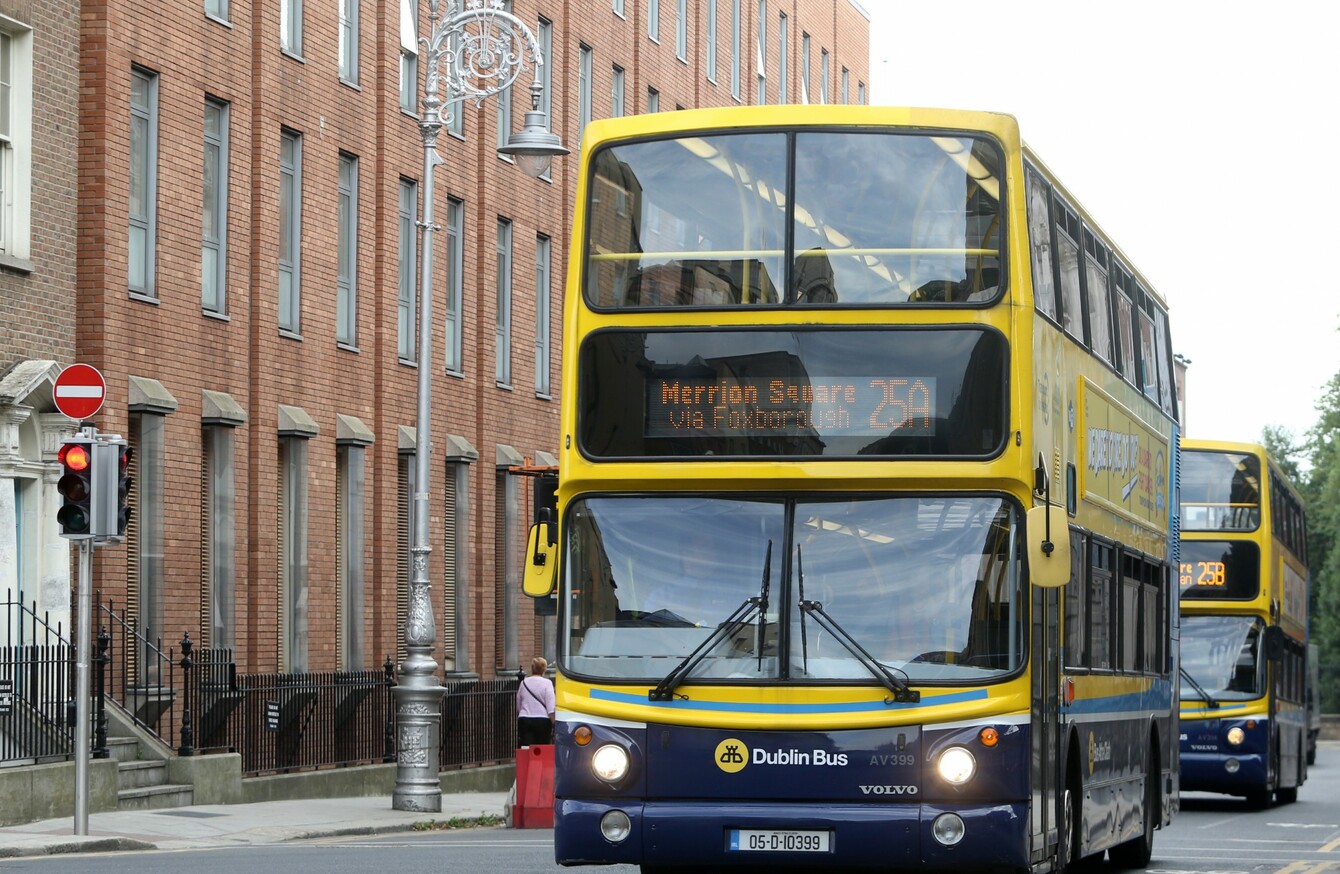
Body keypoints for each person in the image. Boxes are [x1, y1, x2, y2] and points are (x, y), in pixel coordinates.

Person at [516, 656, 556, 747]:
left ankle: (526, 756)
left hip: (525, 719)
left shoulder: (524, 683)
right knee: (542, 749)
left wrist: (522, 713)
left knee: (526, 748)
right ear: (544, 669)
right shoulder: (547, 683)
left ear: (532, 668)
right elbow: (550, 707)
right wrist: (554, 723)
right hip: (542, 721)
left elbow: (518, 703)